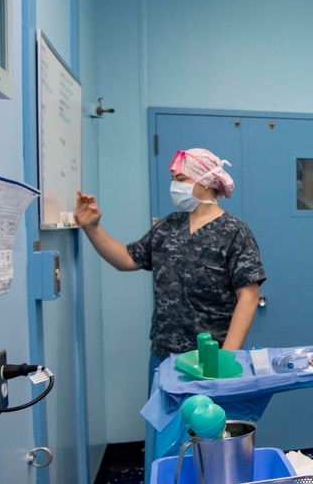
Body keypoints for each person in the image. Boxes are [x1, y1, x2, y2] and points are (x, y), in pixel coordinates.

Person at [77, 148, 266, 382]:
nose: (174, 186)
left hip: (210, 358)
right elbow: (127, 259)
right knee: (163, 418)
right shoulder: (169, 226)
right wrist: (92, 228)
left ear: (206, 182)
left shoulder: (234, 232)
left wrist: (225, 358)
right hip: (164, 355)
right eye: (173, 180)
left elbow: (248, 295)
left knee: (206, 419)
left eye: (181, 180)